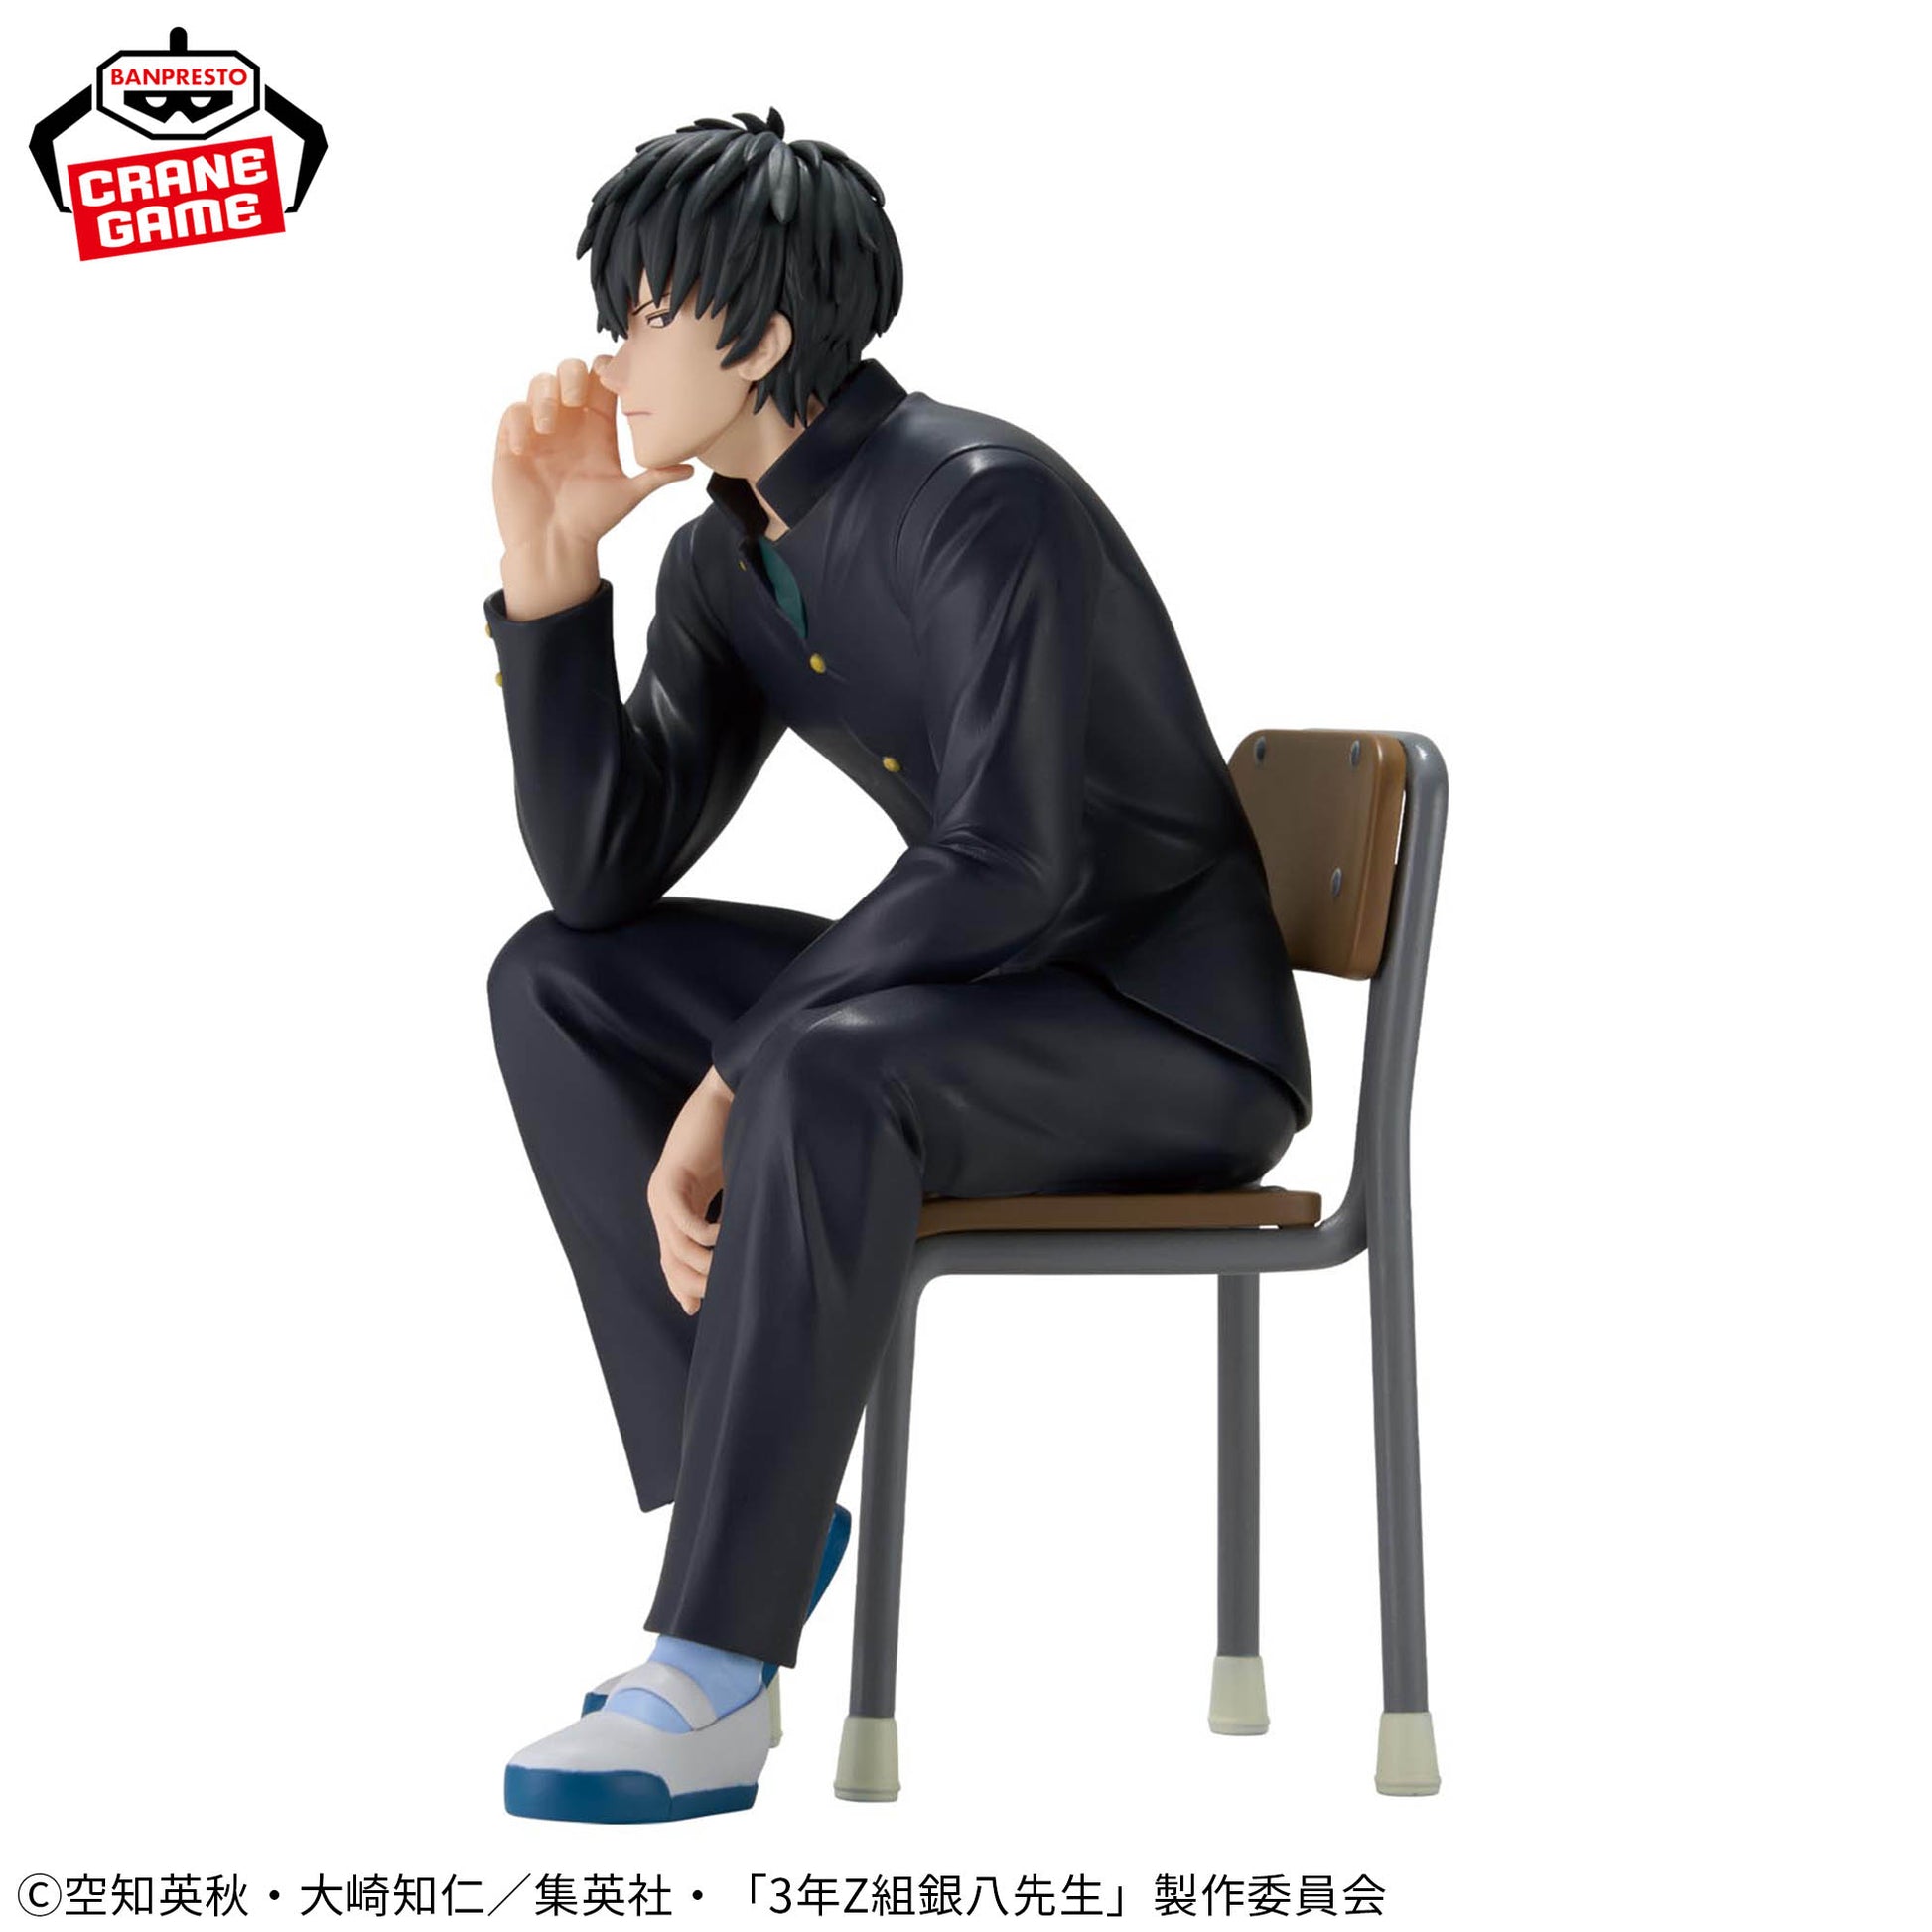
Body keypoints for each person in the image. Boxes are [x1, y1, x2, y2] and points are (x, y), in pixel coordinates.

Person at [483, 106, 1313, 1824]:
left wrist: (729, 1077)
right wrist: (550, 577)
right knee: (555, 979)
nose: (613, 352)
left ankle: (711, 1673)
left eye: (648, 311)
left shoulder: (980, 501)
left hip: (1168, 1039)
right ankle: (750, 1512)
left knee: (818, 1061)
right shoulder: (729, 558)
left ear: (764, 337)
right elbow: (599, 877)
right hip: (982, 1005)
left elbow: (1011, 859)